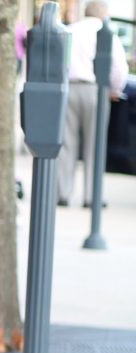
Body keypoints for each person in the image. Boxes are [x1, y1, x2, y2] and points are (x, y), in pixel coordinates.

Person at [56, 0, 129, 208]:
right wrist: (114, 90)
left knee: (67, 143)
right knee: (94, 146)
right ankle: (91, 196)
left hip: (69, 88)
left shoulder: (69, 31)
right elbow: (118, 68)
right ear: (103, 14)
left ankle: (63, 192)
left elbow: (61, 60)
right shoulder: (106, 33)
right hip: (96, 90)